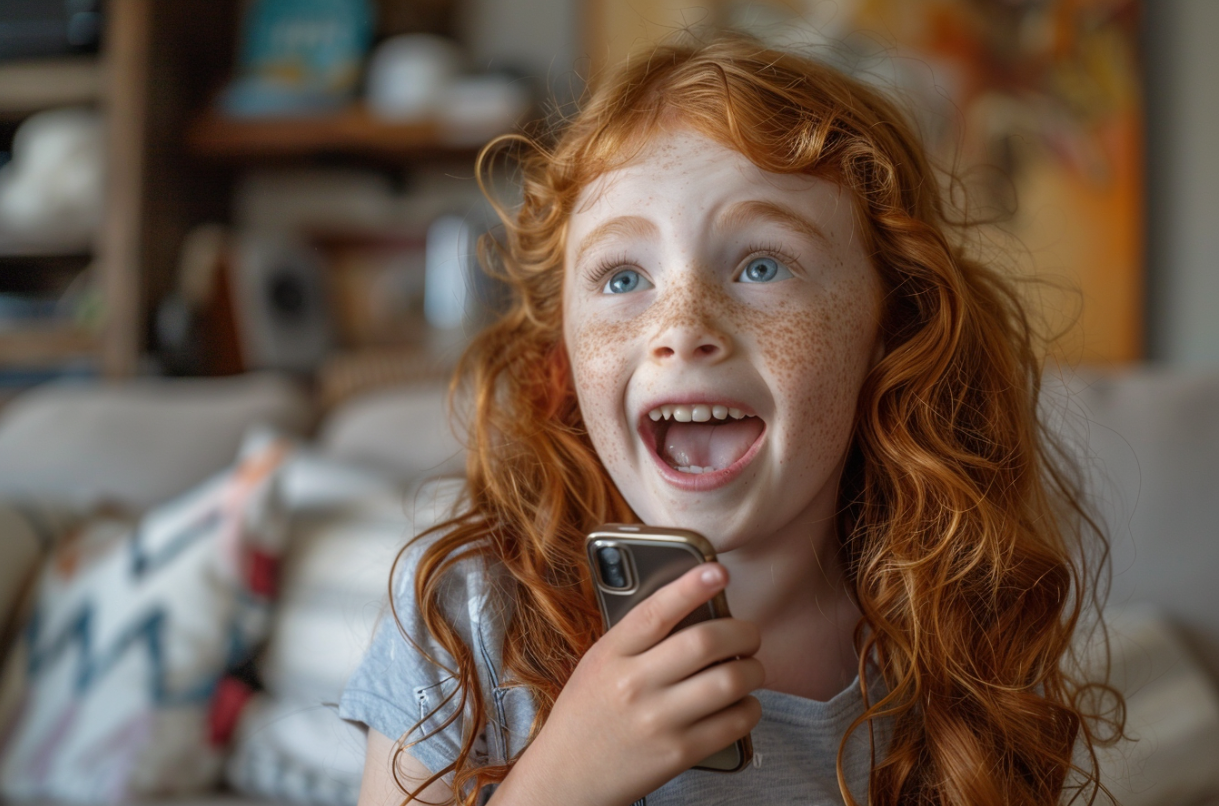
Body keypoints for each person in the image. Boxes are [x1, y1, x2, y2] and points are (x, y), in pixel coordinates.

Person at [341, 35, 1121, 806]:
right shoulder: (467, 618)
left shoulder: (955, 632)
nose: (680, 325)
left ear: (892, 324)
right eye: (621, 276)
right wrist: (562, 784)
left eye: (760, 265)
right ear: (565, 346)